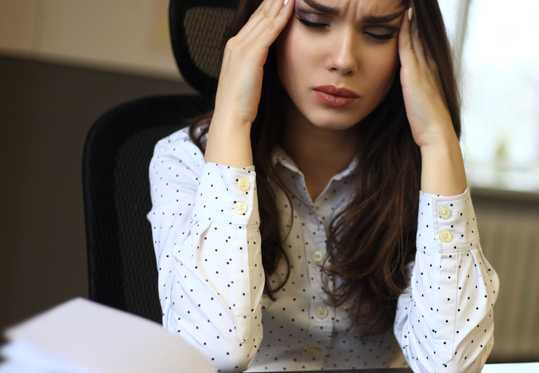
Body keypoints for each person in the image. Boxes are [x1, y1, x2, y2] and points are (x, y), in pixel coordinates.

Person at [145, 0, 499, 371]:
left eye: (378, 33)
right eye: (314, 21)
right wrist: (233, 115)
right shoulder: (186, 159)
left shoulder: (424, 172)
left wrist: (439, 140)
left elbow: (451, 364)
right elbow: (217, 350)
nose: (344, 59)